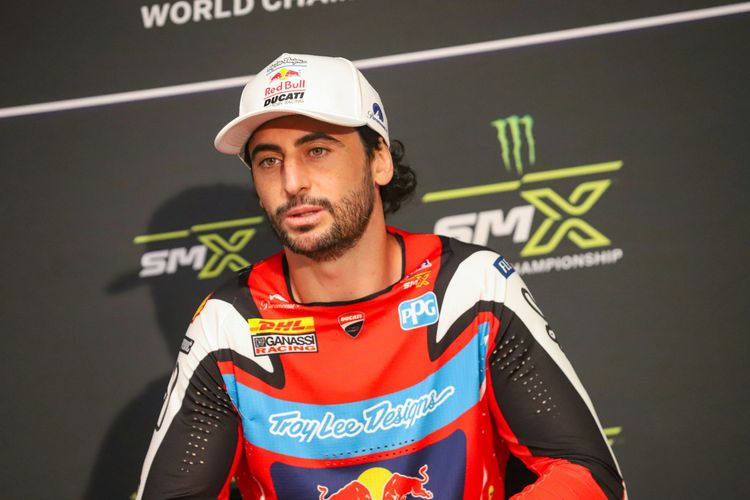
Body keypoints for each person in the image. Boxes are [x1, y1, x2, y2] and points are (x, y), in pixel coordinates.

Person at [136, 53, 626, 499]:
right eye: (269, 161)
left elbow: (587, 476)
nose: (292, 181)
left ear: (380, 161)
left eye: (317, 151)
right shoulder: (230, 325)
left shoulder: (470, 287)